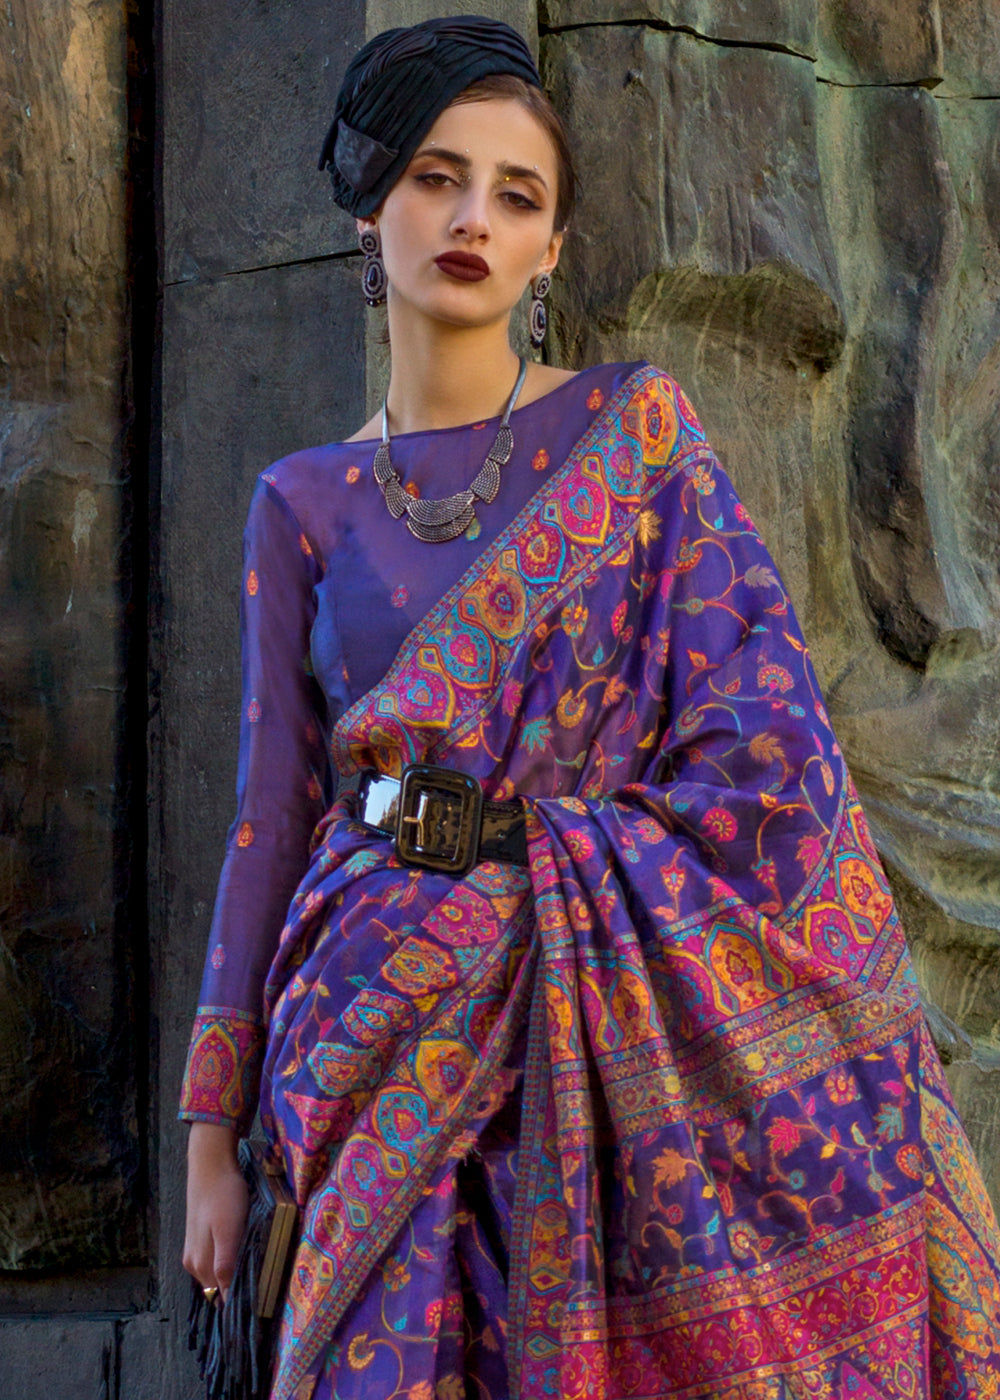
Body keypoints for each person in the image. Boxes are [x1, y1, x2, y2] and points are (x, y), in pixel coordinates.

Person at [181, 16, 1000, 1400]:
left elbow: (773, 767)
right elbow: (273, 816)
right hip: (369, 1021)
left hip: (603, 1033)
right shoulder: (300, 500)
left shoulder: (639, 443)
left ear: (551, 249)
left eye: (517, 196)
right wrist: (211, 1131)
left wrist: (557, 878)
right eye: (436, 178)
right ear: (370, 209)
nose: (473, 220)